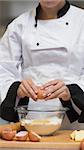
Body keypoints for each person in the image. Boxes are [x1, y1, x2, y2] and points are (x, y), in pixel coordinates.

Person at [0, 0, 84, 128]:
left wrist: (72, 91)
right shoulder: (19, 26)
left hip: (75, 120)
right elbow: (3, 69)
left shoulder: (81, 21)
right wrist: (17, 89)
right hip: (29, 119)